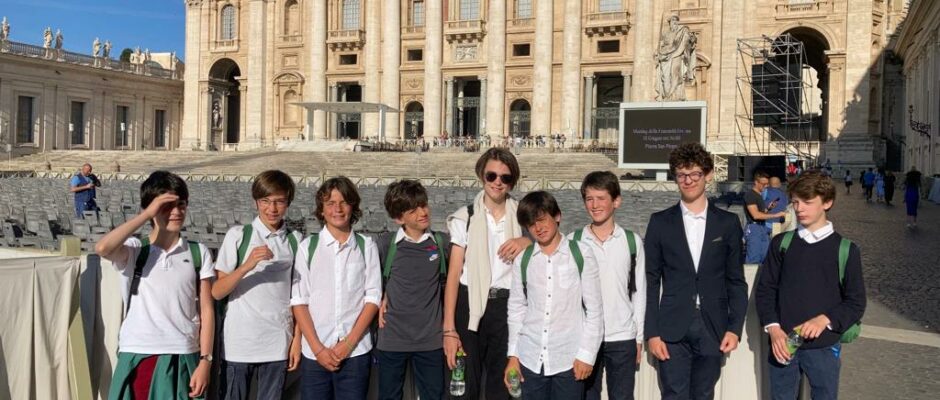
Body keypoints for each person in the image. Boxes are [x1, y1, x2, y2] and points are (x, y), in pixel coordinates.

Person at [95, 171, 215, 399]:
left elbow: (206, 310)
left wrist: (205, 361)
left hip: (183, 351)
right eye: (166, 206)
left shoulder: (198, 252)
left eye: (181, 205)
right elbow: (103, 248)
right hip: (140, 351)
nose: (176, 212)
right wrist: (147, 214)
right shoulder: (135, 249)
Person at [645, 143, 748, 400]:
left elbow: (736, 281)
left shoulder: (728, 223)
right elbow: (650, 281)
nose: (688, 180)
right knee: (673, 395)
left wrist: (735, 328)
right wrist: (652, 333)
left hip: (713, 326)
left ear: (708, 175)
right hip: (671, 326)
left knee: (704, 394)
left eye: (694, 174)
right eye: (682, 175)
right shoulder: (659, 222)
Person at [756, 171, 866, 400]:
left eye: (807, 202)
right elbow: (766, 290)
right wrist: (774, 329)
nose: (799, 208)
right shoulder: (781, 244)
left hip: (824, 345)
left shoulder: (846, 250)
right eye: (796, 202)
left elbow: (856, 302)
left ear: (827, 202)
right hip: (783, 342)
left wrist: (824, 319)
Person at [443, 147, 531, 400]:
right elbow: (453, 275)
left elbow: (550, 238)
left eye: (505, 177)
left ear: (512, 181)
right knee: (464, 386)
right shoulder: (465, 218)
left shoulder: (523, 217)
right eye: (491, 175)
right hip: (470, 304)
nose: (497, 182)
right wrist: (449, 329)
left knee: (502, 387)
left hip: (507, 307)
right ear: (482, 175)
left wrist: (527, 241)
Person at [211, 170, 303, 399]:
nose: (272, 209)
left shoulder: (296, 241)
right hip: (239, 344)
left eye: (279, 201)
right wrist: (246, 266)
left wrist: (297, 340)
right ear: (256, 202)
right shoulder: (238, 236)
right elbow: (217, 291)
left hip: (278, 342)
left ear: (288, 203)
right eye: (265, 201)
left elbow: (300, 297)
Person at [505, 191, 603, 399]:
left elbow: (595, 310)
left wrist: (587, 355)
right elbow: (516, 309)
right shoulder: (523, 260)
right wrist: (513, 356)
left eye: (542, 220)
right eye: (532, 224)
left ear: (557, 216)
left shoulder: (581, 253)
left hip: (569, 360)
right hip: (530, 359)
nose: (538, 228)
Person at [291, 176, 381, 399]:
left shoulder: (366, 246)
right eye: (330, 203)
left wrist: (348, 344)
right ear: (321, 210)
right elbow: (300, 301)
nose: (337, 209)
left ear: (353, 207)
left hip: (355, 352)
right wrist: (318, 349)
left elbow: (372, 298)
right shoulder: (307, 248)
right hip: (315, 353)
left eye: (343, 203)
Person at [572, 171, 646, 400]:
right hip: (585, 338)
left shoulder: (632, 242)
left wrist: (638, 337)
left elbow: (639, 293)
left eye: (601, 198)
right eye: (589, 199)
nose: (594, 205)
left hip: (622, 337)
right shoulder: (573, 241)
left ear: (616, 201)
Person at [374, 180, 450, 400]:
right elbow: (371, 281)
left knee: (433, 395)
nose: (423, 212)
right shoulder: (386, 244)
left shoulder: (442, 243)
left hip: (431, 340)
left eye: (424, 205)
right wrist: (382, 296)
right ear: (399, 218)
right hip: (392, 337)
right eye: (413, 210)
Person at [744, 171, 787, 264]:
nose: (766, 186)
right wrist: (776, 215)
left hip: (762, 227)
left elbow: (762, 213)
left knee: (765, 256)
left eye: (767, 184)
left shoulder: (759, 195)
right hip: (754, 228)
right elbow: (756, 215)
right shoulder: (750, 195)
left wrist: (769, 208)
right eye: (763, 184)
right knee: (754, 258)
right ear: (756, 182)